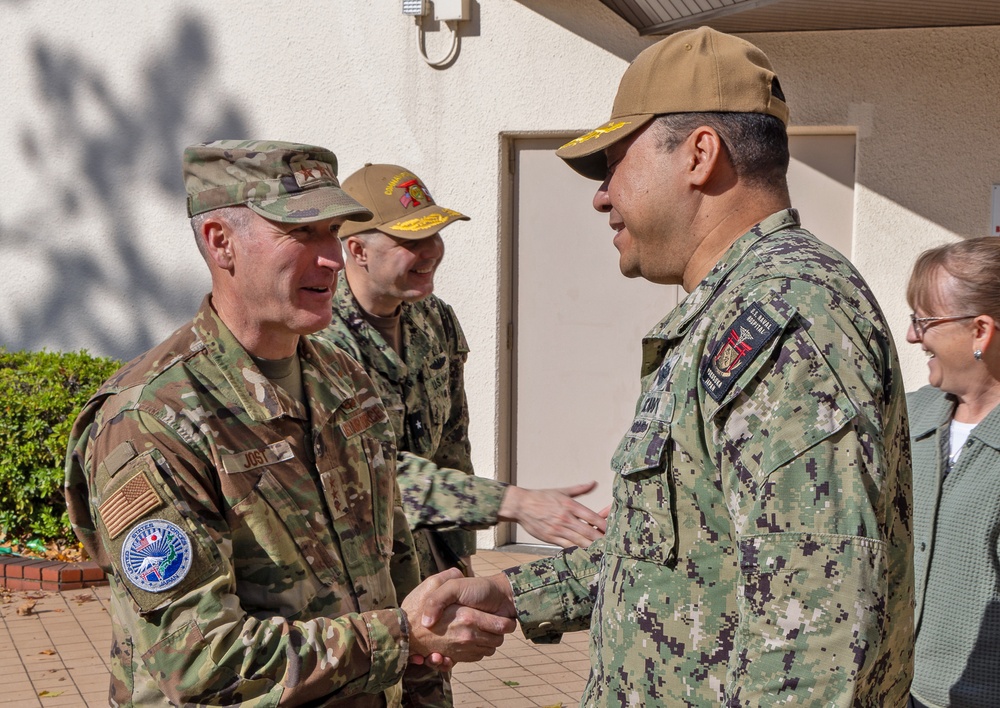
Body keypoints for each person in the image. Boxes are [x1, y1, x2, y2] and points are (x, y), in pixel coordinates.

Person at [419, 27, 914, 706]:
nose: (600, 196)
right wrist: (511, 589)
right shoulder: (738, 309)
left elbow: (819, 637)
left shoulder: (786, 314)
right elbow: (674, 552)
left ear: (699, 154)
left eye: (612, 164)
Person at [63, 140, 514, 706]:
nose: (330, 257)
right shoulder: (151, 418)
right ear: (220, 242)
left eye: (333, 231)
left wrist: (421, 676)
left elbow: (399, 574)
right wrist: (399, 637)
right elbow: (197, 659)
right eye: (302, 234)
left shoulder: (344, 382)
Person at [318, 162, 607, 707]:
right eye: (412, 238)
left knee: (430, 695)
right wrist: (512, 503)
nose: (431, 251)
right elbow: (371, 469)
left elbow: (453, 443)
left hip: (425, 560)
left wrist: (457, 560)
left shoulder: (435, 319)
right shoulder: (318, 335)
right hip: (353, 574)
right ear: (357, 250)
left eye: (435, 234)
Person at [904, 238, 1000, 708]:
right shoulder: (907, 417)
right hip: (898, 689)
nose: (912, 336)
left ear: (980, 331)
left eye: (924, 321)